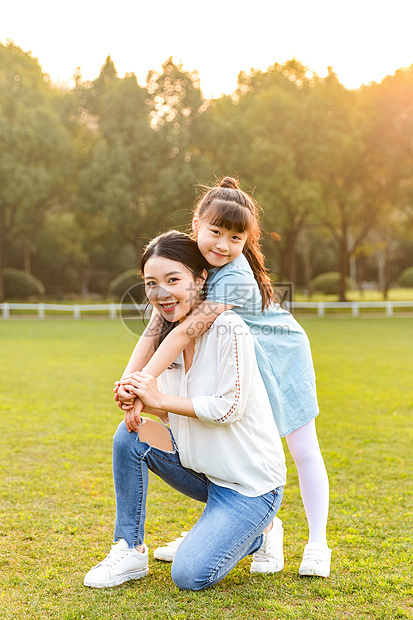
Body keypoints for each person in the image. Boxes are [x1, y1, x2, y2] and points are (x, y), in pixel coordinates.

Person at [116, 177, 331, 578]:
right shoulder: (185, 261)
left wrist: (145, 384)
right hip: (237, 350)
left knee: (302, 448)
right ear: (196, 223)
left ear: (247, 240)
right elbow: (153, 328)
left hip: (279, 353)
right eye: (215, 231)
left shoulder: (233, 275)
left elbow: (183, 331)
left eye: (236, 237)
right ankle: (238, 528)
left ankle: (317, 544)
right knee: (215, 438)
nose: (223, 244)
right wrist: (129, 383)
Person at [84, 231, 286, 590]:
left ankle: (260, 530)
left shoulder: (228, 328)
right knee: (130, 436)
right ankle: (129, 549)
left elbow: (228, 410)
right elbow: (172, 414)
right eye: (151, 283)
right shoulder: (164, 336)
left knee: (190, 575)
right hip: (204, 471)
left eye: (173, 280)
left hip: (249, 486)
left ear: (201, 278)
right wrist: (137, 397)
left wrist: (159, 400)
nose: (162, 293)